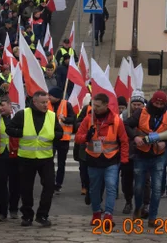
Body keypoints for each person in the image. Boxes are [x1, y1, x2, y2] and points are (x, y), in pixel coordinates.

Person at [6, 90, 63, 227]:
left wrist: (54, 136)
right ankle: (27, 215)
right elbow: (9, 129)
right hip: (26, 157)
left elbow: (59, 132)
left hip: (46, 158)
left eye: (47, 102)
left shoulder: (51, 115)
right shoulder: (23, 114)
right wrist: (21, 133)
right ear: (35, 102)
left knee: (49, 186)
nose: (45, 105)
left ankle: (42, 215)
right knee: (26, 188)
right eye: (43, 102)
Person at [75, 93, 129, 225]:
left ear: (106, 105)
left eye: (98, 106)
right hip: (93, 160)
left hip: (111, 160)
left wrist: (124, 160)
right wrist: (87, 137)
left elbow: (124, 141)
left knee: (111, 187)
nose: (95, 108)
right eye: (94, 105)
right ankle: (96, 214)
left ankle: (108, 216)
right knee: (94, 189)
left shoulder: (116, 120)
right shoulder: (88, 119)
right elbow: (78, 137)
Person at [124, 90, 167, 226]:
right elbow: (126, 124)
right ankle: (138, 209)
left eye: (161, 104)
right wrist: (135, 137)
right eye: (156, 103)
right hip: (141, 154)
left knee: (156, 188)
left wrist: (166, 143)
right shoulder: (141, 112)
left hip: (158, 156)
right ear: (152, 101)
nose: (158, 106)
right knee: (138, 187)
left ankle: (152, 217)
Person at [0, 96, 20, 221]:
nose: (0, 108)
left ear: (10, 105)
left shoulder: (17, 117)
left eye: (3, 105)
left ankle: (13, 209)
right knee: (0, 184)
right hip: (0, 155)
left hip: (15, 155)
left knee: (15, 184)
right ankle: (1, 212)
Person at [119, 90, 146, 214]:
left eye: (139, 104)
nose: (136, 107)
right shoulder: (123, 115)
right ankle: (128, 201)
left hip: (144, 152)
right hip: (127, 152)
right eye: (134, 104)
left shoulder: (147, 115)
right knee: (126, 180)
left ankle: (144, 205)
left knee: (145, 181)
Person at [47, 87, 75, 194]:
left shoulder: (66, 105)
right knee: (49, 162)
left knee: (61, 163)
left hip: (64, 139)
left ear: (57, 96)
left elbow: (73, 119)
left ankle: (58, 184)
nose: (49, 97)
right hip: (51, 138)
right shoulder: (47, 104)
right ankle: (51, 182)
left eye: (51, 96)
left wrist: (65, 119)